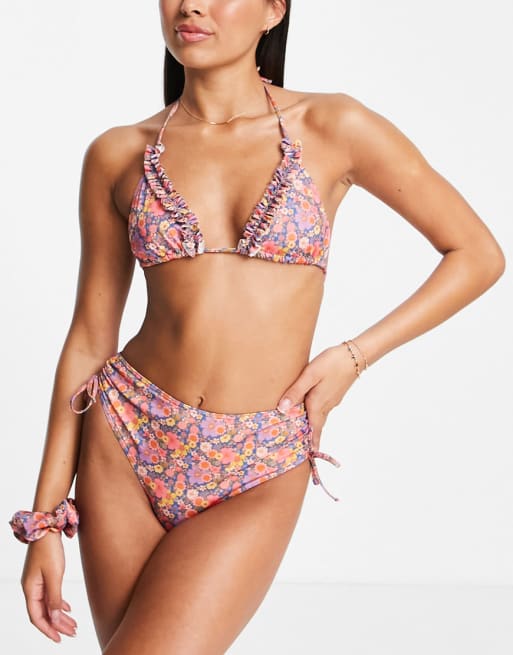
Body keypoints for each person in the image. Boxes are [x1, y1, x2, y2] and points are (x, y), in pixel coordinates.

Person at [8, 1, 505, 653]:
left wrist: (353, 357)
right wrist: (45, 519)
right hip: (124, 439)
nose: (191, 5)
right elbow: (88, 340)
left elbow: (476, 255)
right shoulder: (118, 153)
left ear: (274, 9)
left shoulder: (333, 126)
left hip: (260, 458)